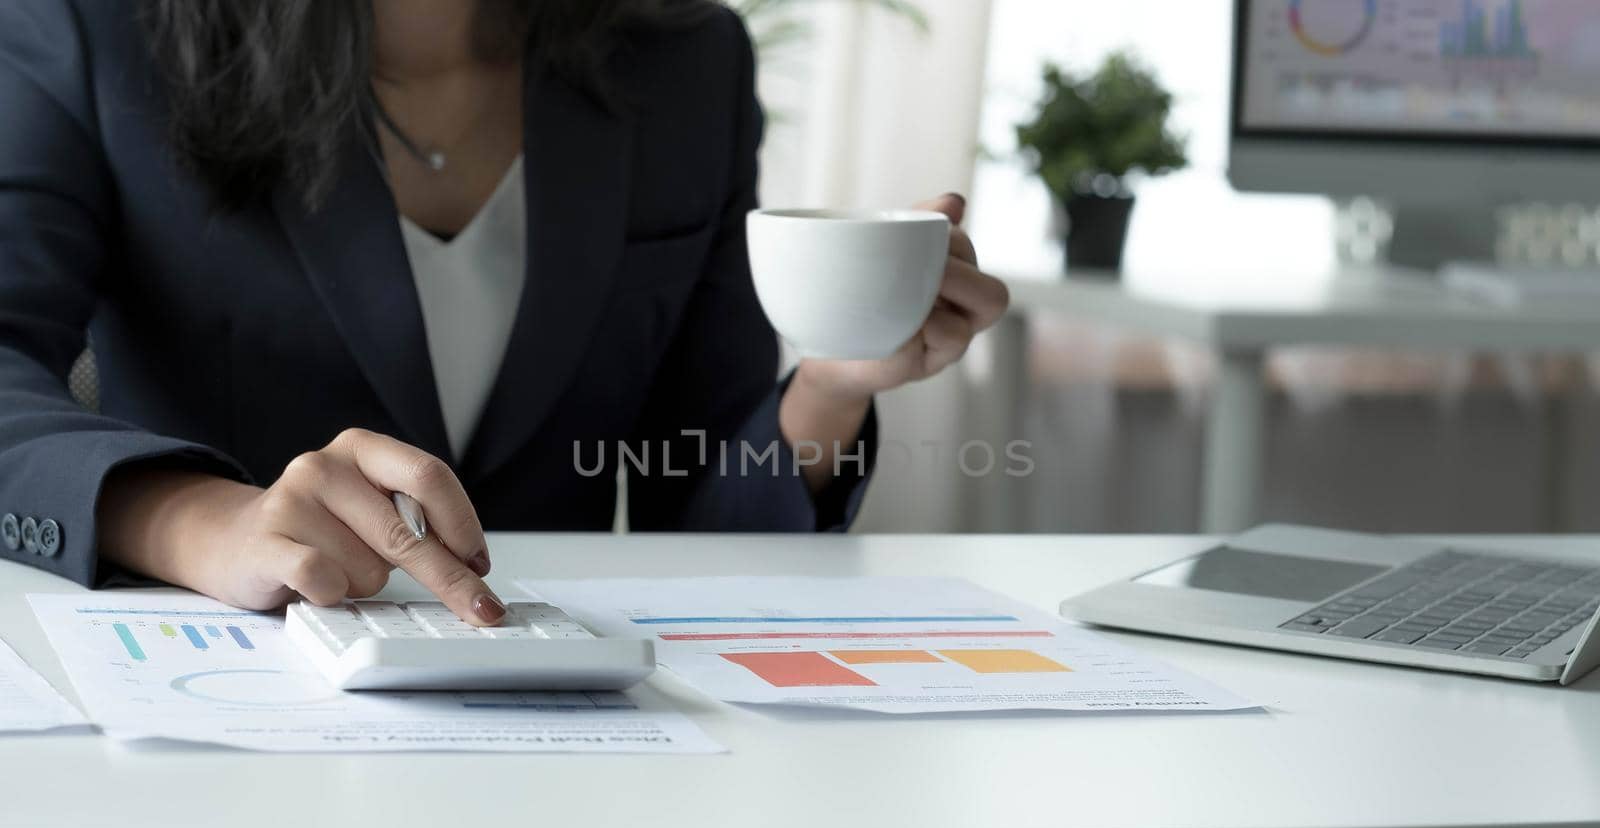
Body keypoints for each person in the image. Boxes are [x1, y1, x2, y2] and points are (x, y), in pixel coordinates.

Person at [0, 0, 1010, 626]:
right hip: (234, 691)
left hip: (570, 718)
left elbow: (698, 509)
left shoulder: (686, 64)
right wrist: (198, 520)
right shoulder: (93, 29)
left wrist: (832, 386)